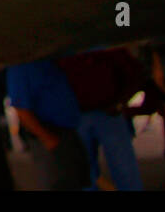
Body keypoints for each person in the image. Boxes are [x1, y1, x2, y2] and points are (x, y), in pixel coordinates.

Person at [58, 47, 145, 190]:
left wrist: (121, 102)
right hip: (78, 116)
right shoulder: (65, 52)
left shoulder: (103, 48)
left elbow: (135, 72)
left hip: (108, 113)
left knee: (124, 167)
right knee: (85, 172)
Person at [6, 57, 91, 190]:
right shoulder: (21, 67)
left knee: (75, 181)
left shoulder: (49, 61)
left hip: (67, 132)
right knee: (56, 182)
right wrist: (48, 139)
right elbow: (21, 110)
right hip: (50, 136)